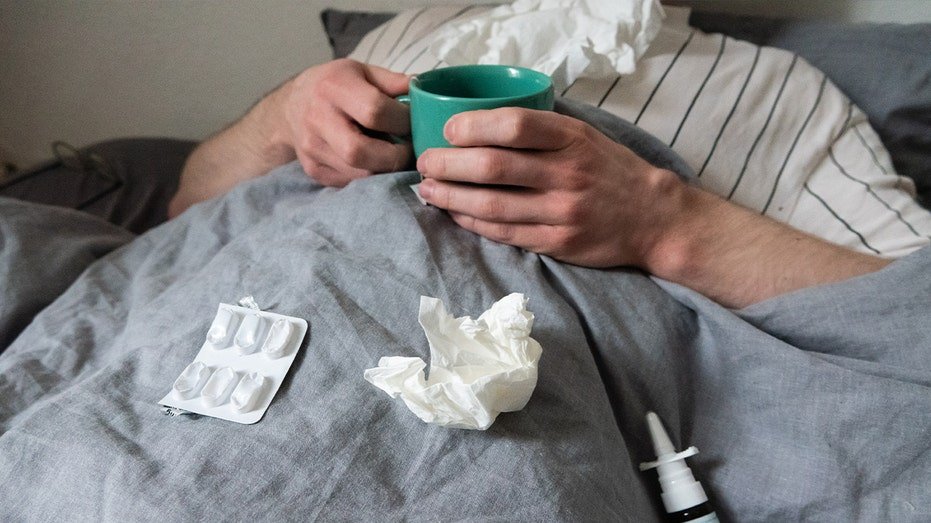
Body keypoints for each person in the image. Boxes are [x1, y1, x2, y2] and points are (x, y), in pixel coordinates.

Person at [169, 59, 889, 309]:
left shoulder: (784, 88)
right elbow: (181, 211)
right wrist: (284, 113)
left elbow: (905, 315)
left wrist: (666, 223)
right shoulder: (404, 34)